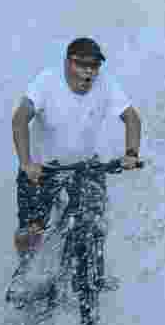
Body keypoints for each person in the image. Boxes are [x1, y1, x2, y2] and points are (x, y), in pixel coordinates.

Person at [11, 37, 142, 260]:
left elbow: (132, 118)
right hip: (43, 169)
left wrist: (131, 154)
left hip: (86, 167)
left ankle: (88, 281)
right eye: (81, 65)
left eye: (94, 66)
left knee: (93, 224)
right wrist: (26, 163)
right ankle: (26, 266)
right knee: (32, 231)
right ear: (67, 63)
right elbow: (20, 119)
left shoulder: (106, 84)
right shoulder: (46, 81)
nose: (88, 72)